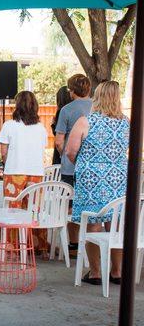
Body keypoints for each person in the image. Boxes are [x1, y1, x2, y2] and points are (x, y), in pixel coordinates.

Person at [66, 81, 129, 285]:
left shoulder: (86, 121)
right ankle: (117, 272)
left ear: (98, 97)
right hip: (118, 178)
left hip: (91, 179)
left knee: (92, 224)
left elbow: (70, 151)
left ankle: (95, 273)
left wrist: (87, 164)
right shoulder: (126, 122)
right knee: (116, 224)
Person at [0, 91, 48, 252]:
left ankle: (14, 248)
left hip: (14, 172)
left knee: (13, 210)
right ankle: (38, 248)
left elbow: (3, 152)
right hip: (36, 173)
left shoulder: (9, 125)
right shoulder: (41, 128)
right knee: (34, 210)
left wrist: (7, 164)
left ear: (17, 105)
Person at [54, 73, 92, 251]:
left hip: (70, 167)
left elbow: (59, 141)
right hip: (91, 165)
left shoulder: (66, 110)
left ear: (71, 90)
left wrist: (65, 155)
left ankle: (74, 243)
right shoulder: (97, 107)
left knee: (70, 204)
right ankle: (90, 241)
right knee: (89, 205)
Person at [51, 86, 72, 165]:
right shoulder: (72, 110)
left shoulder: (61, 111)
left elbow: (58, 136)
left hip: (62, 151)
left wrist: (53, 124)